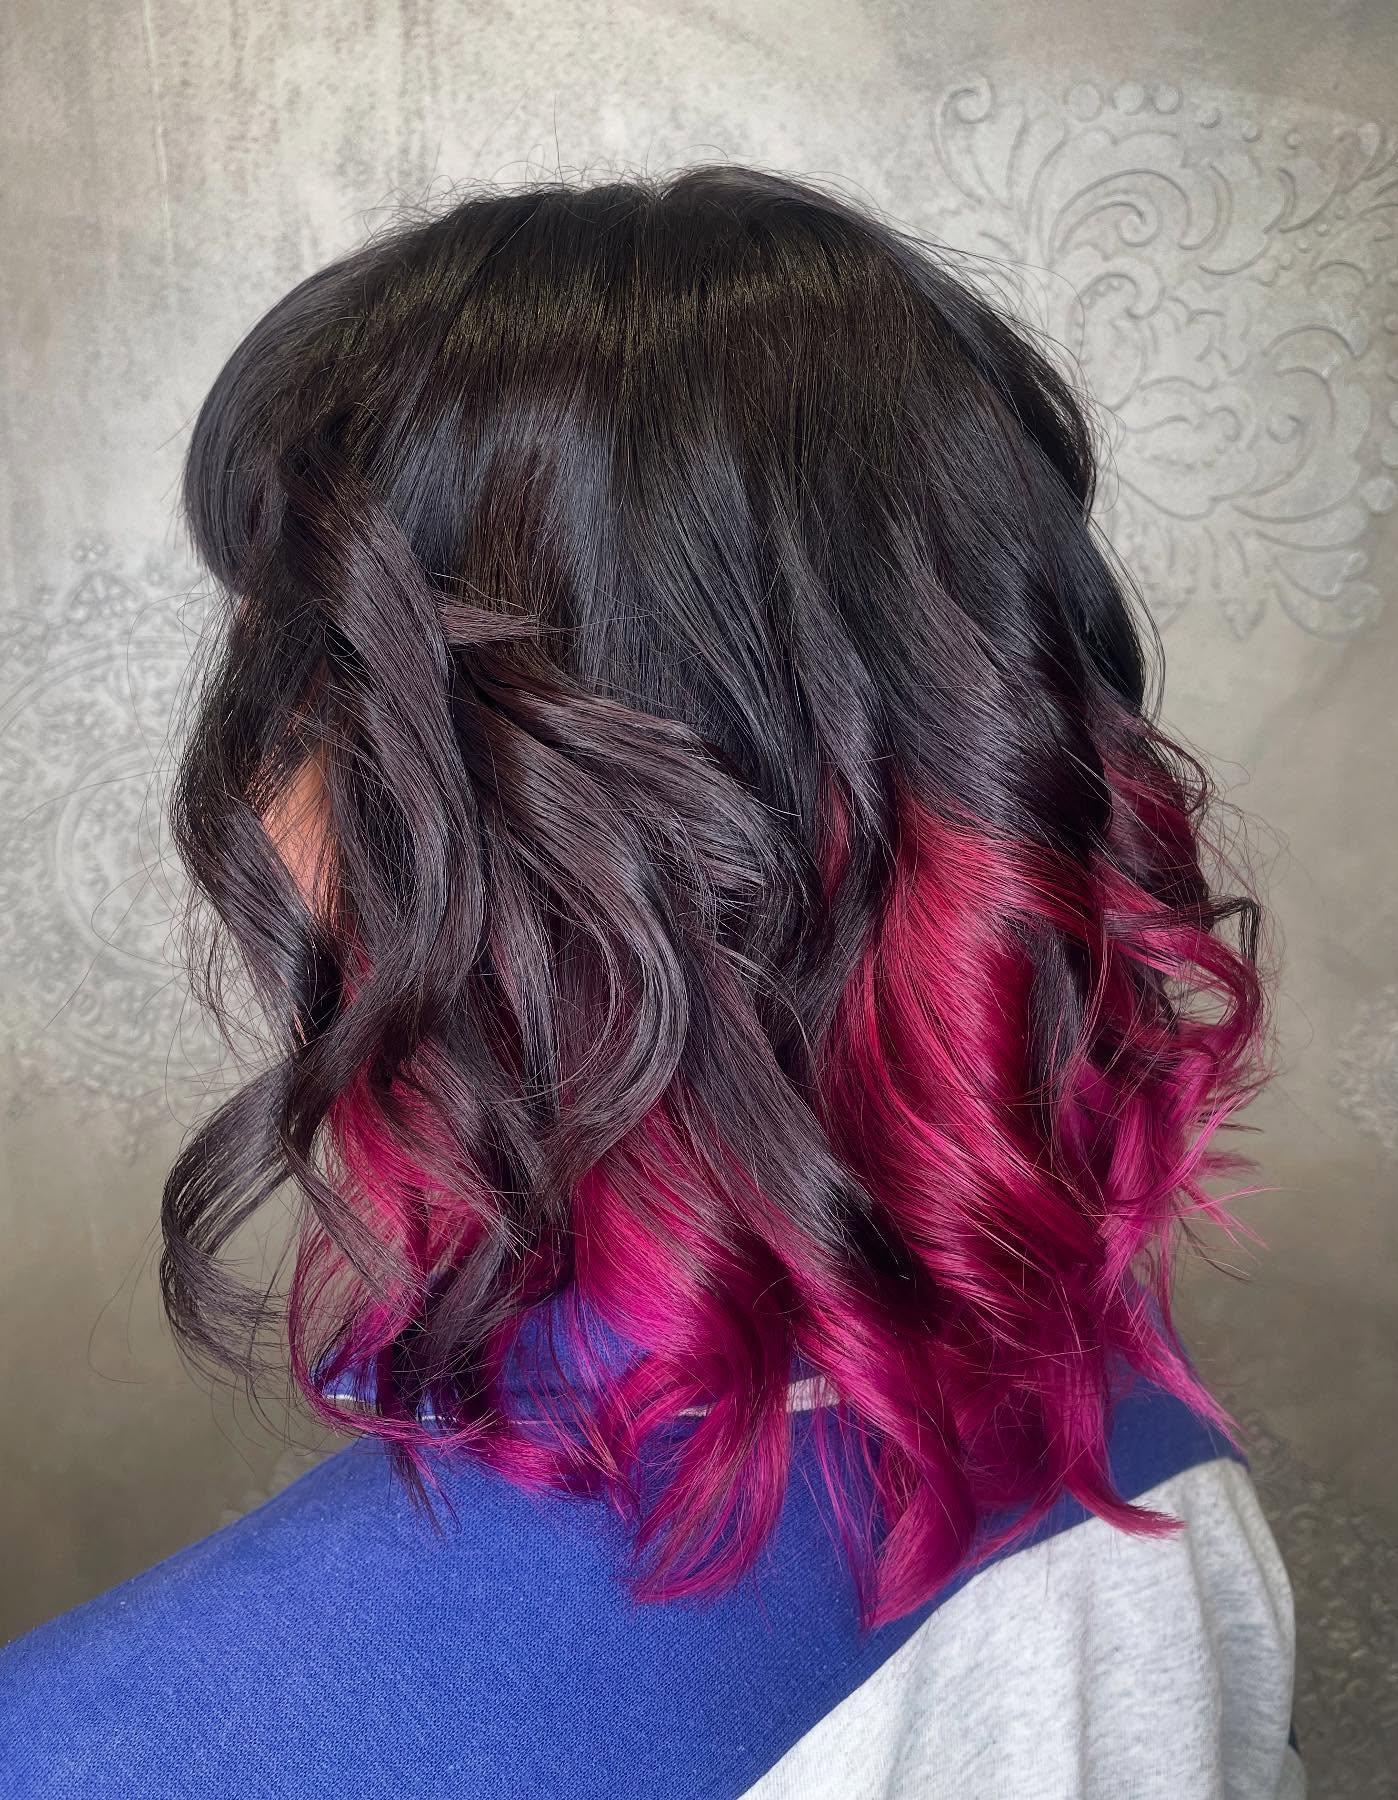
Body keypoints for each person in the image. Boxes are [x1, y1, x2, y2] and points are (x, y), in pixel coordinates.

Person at [0, 164, 1304, 1798]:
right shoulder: (1167, 1469)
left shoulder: (110, 1747)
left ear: (478, 803)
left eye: (293, 682)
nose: (271, 810)